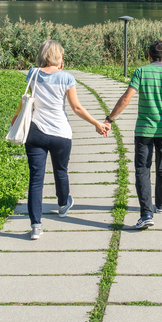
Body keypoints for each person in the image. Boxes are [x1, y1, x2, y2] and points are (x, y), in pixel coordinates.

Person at [22, 39, 108, 240]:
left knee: (36, 179)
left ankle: (36, 225)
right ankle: (63, 204)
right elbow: (76, 108)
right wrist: (96, 123)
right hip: (60, 133)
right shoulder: (67, 78)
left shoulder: (32, 73)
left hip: (35, 132)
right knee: (61, 171)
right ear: (59, 58)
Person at [103, 39, 162, 229]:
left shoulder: (141, 72)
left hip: (143, 130)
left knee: (142, 169)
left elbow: (126, 98)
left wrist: (109, 119)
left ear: (148, 56)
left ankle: (146, 213)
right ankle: (160, 204)